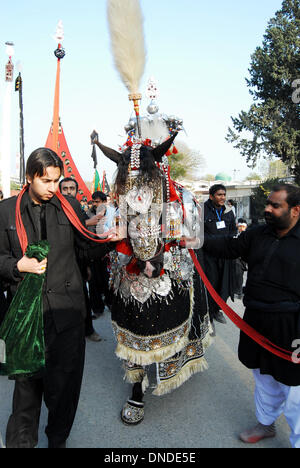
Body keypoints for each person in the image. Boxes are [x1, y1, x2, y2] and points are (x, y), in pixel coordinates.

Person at [0, 148, 114, 448]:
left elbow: (85, 251)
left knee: (64, 388)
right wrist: (16, 266)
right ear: (29, 177)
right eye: (46, 181)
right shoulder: (6, 211)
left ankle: (57, 440)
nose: (53, 188)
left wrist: (110, 242)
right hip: (27, 316)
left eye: (57, 180)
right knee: (26, 389)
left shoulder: (70, 207)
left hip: (66, 312)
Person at [203, 184, 300, 448]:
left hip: (292, 325)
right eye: (267, 203)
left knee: (295, 387)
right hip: (256, 318)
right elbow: (227, 247)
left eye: (275, 205)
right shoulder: (258, 233)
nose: (267, 209)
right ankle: (266, 424)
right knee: (263, 375)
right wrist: (196, 242)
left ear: (295, 210)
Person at [59, 177, 101, 342]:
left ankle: (89, 331)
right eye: (65, 188)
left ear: (77, 191)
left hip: (78, 262)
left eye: (71, 188)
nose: (69, 191)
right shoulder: (55, 208)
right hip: (59, 263)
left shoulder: (79, 209)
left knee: (83, 297)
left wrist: (87, 267)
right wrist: (87, 222)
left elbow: (83, 240)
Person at [203, 184, 237, 327]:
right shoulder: (202, 211)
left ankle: (217, 310)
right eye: (219, 195)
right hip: (209, 256)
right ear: (211, 196)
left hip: (225, 254)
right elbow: (199, 233)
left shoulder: (229, 211)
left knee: (225, 285)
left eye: (224, 194)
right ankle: (208, 316)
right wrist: (213, 242)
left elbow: (233, 231)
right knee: (211, 284)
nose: (222, 197)